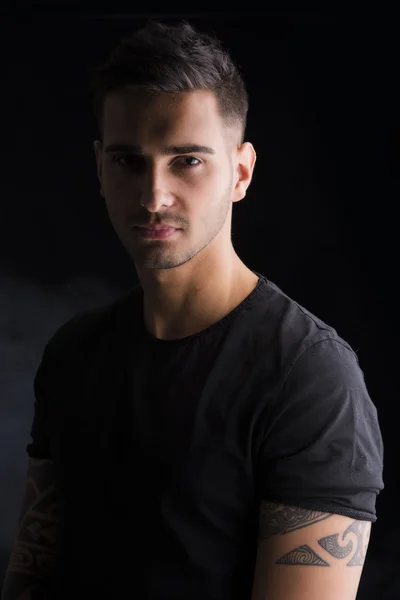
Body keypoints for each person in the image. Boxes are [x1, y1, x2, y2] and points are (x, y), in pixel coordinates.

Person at [2, 19, 384, 600]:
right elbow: (32, 576)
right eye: (130, 162)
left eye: (187, 160)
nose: (154, 195)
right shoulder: (74, 356)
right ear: (101, 169)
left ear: (240, 172)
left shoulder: (309, 379)